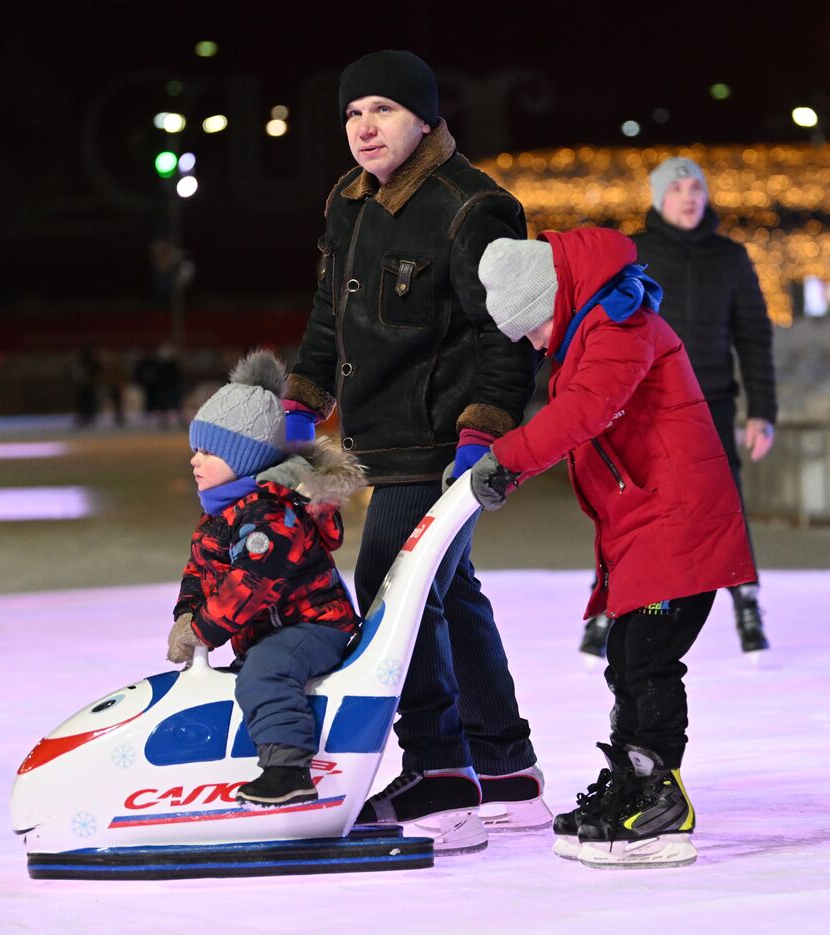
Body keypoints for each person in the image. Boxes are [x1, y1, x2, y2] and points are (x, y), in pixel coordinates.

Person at [284, 50, 546, 853]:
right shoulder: (349, 201)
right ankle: (503, 768)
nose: (365, 127)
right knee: (448, 592)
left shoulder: (473, 208)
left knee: (394, 588)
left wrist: (483, 431)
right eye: (353, 113)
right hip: (377, 438)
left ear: (425, 119)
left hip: (437, 446)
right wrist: (303, 398)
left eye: (384, 110)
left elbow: (506, 334)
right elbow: (333, 310)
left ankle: (439, 776)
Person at [466, 226, 757, 869]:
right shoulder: (598, 326)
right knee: (629, 657)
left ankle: (658, 801)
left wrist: (506, 460)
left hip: (676, 523)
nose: (535, 345)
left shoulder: (618, 324)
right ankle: (633, 784)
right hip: (652, 524)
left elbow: (585, 411)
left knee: (644, 658)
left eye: (532, 328)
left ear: (553, 303)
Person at [576, 155, 775, 657]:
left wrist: (762, 411)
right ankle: (609, 607)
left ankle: (746, 602)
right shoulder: (633, 256)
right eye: (677, 189)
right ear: (658, 199)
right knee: (632, 509)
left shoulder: (730, 257)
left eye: (696, 189)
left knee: (721, 504)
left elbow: (754, 337)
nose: (688, 198)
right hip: (644, 403)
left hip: (710, 404)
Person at [167, 350, 366, 806]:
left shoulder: (270, 513)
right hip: (274, 629)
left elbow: (251, 584)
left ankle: (288, 771)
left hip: (314, 625)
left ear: (245, 457)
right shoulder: (221, 511)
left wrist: (203, 631)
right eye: (194, 449)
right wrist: (186, 613)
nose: (195, 461)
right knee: (247, 675)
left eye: (209, 451)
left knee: (266, 672)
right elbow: (200, 569)